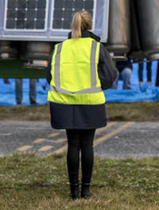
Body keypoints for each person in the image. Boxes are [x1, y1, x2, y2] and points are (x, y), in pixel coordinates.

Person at [46, 11, 117, 199]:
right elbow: (110, 76)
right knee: (87, 145)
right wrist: (97, 85)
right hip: (90, 103)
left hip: (64, 103)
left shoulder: (60, 48)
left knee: (72, 144)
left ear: (73, 26)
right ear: (90, 26)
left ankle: (73, 192)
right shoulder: (96, 47)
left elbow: (49, 76)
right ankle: (86, 190)